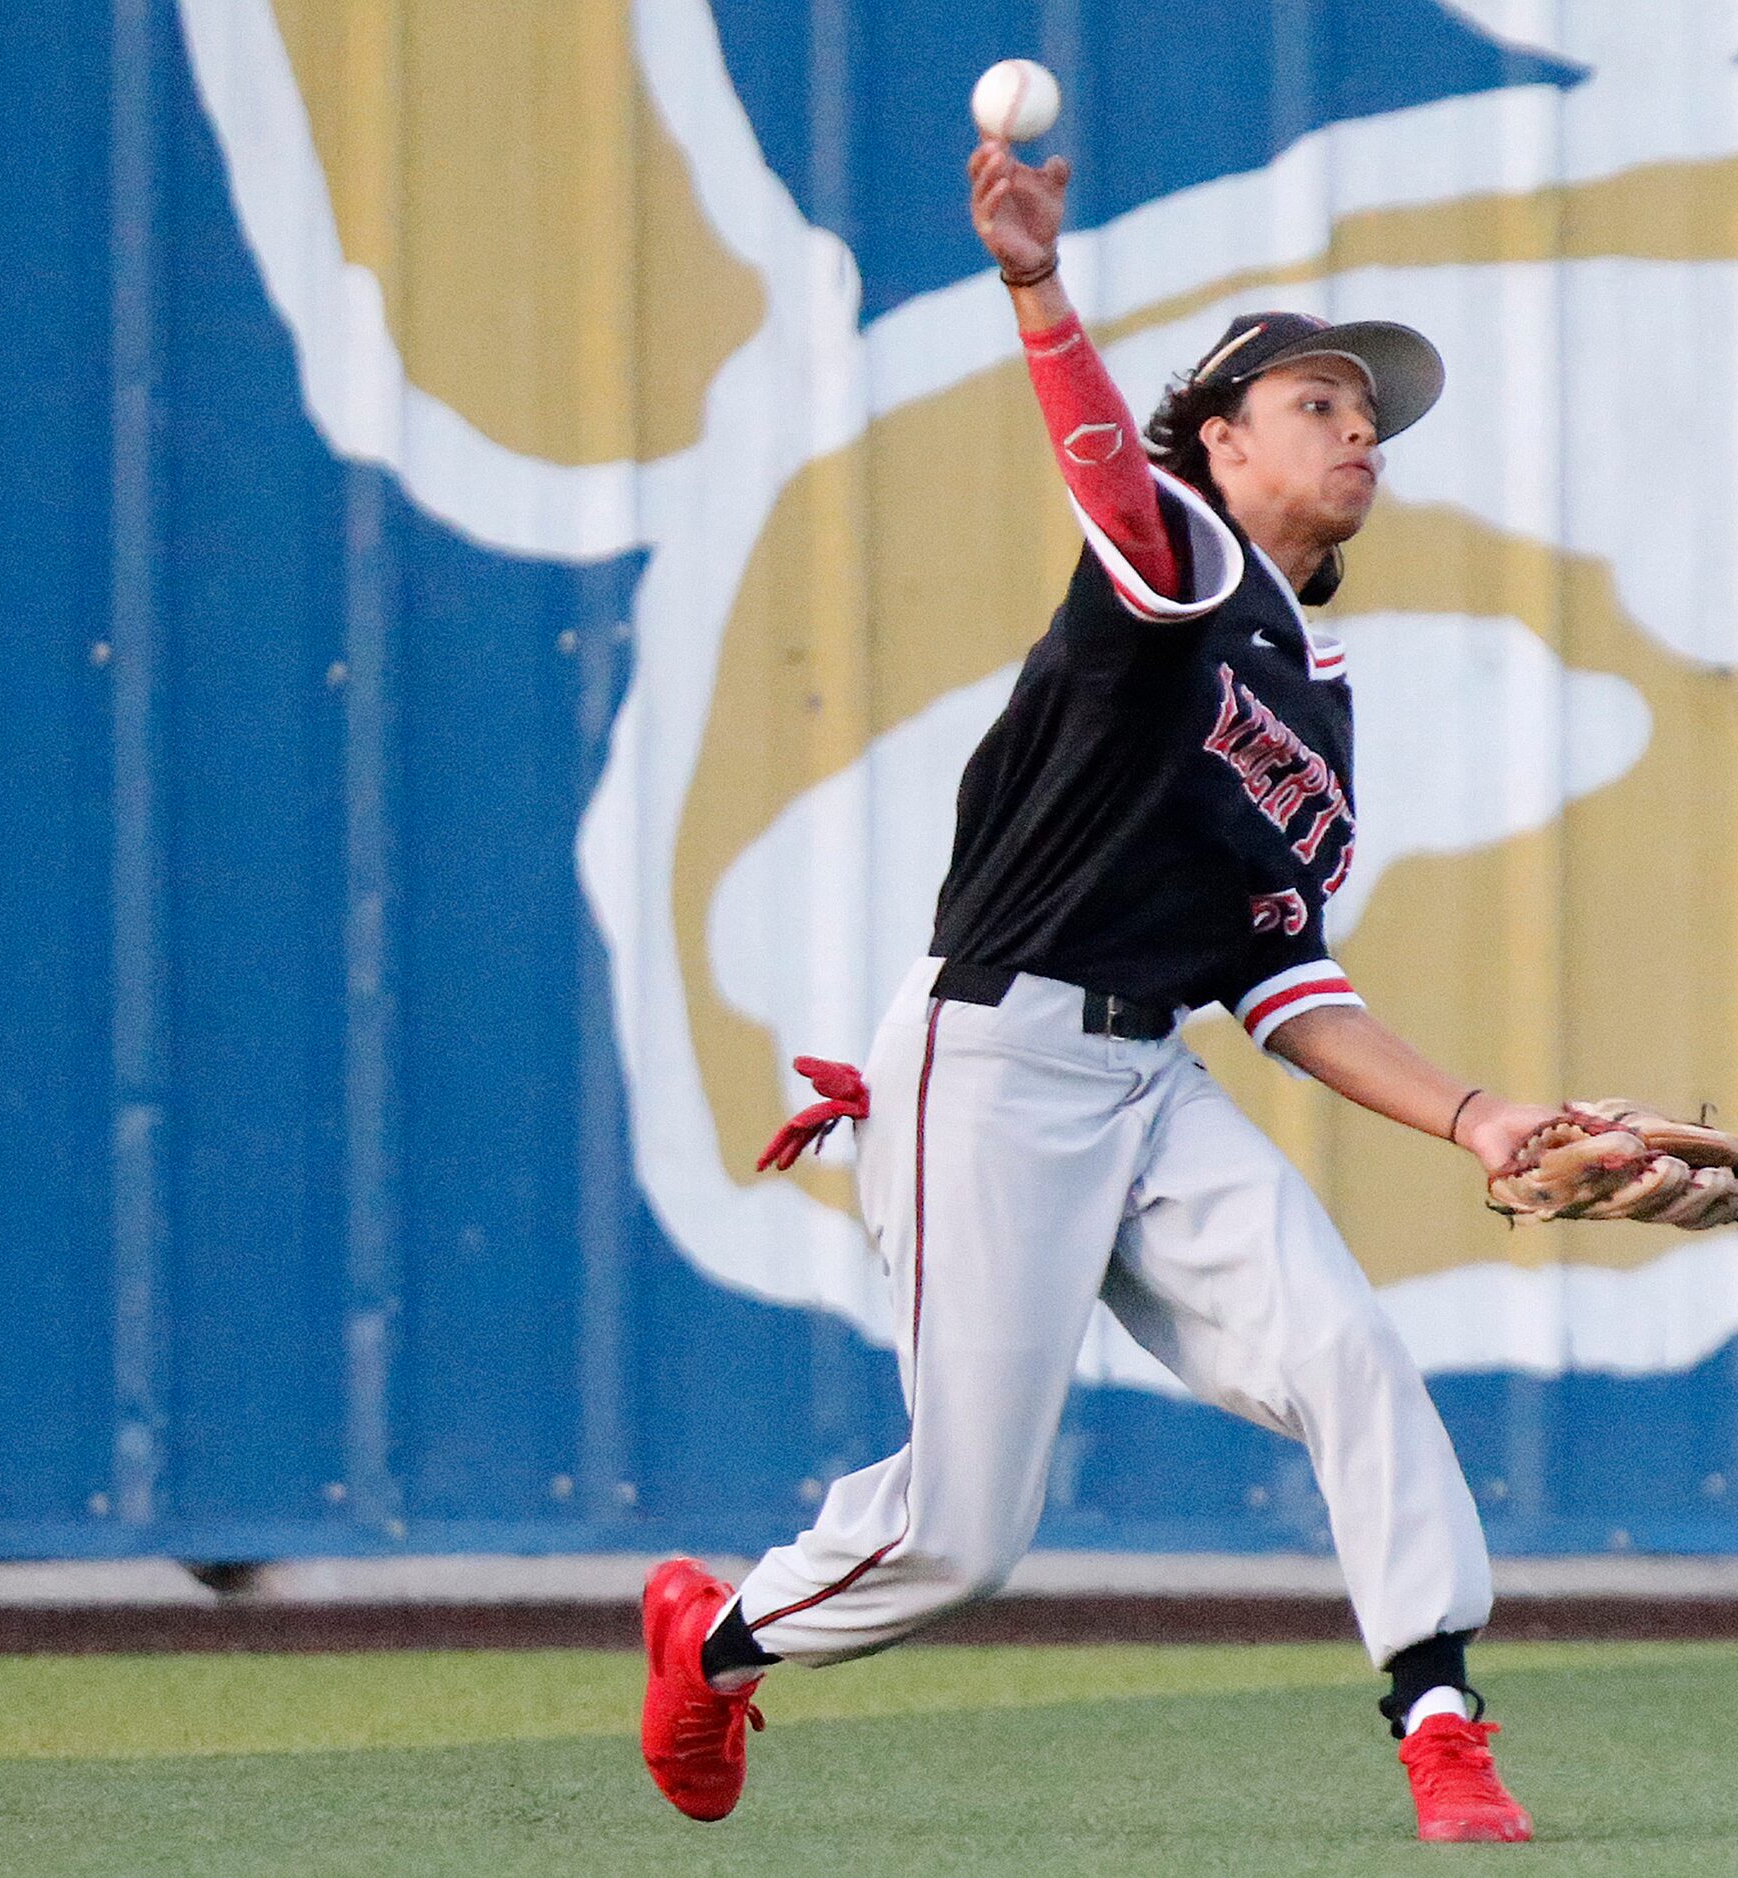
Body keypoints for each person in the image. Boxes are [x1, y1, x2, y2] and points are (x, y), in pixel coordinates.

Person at [641, 135, 1553, 1846]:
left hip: (1150, 1086)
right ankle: (724, 1631)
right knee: (964, 1540)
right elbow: (1112, 497)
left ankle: (1438, 1717)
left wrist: (1473, 1114)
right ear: (1217, 438)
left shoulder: (1315, 695)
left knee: (1349, 1350)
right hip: (995, 1064)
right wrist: (1035, 286)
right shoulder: (1178, 568)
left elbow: (1281, 978)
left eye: (1371, 414)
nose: (1358, 430)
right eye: (1315, 400)